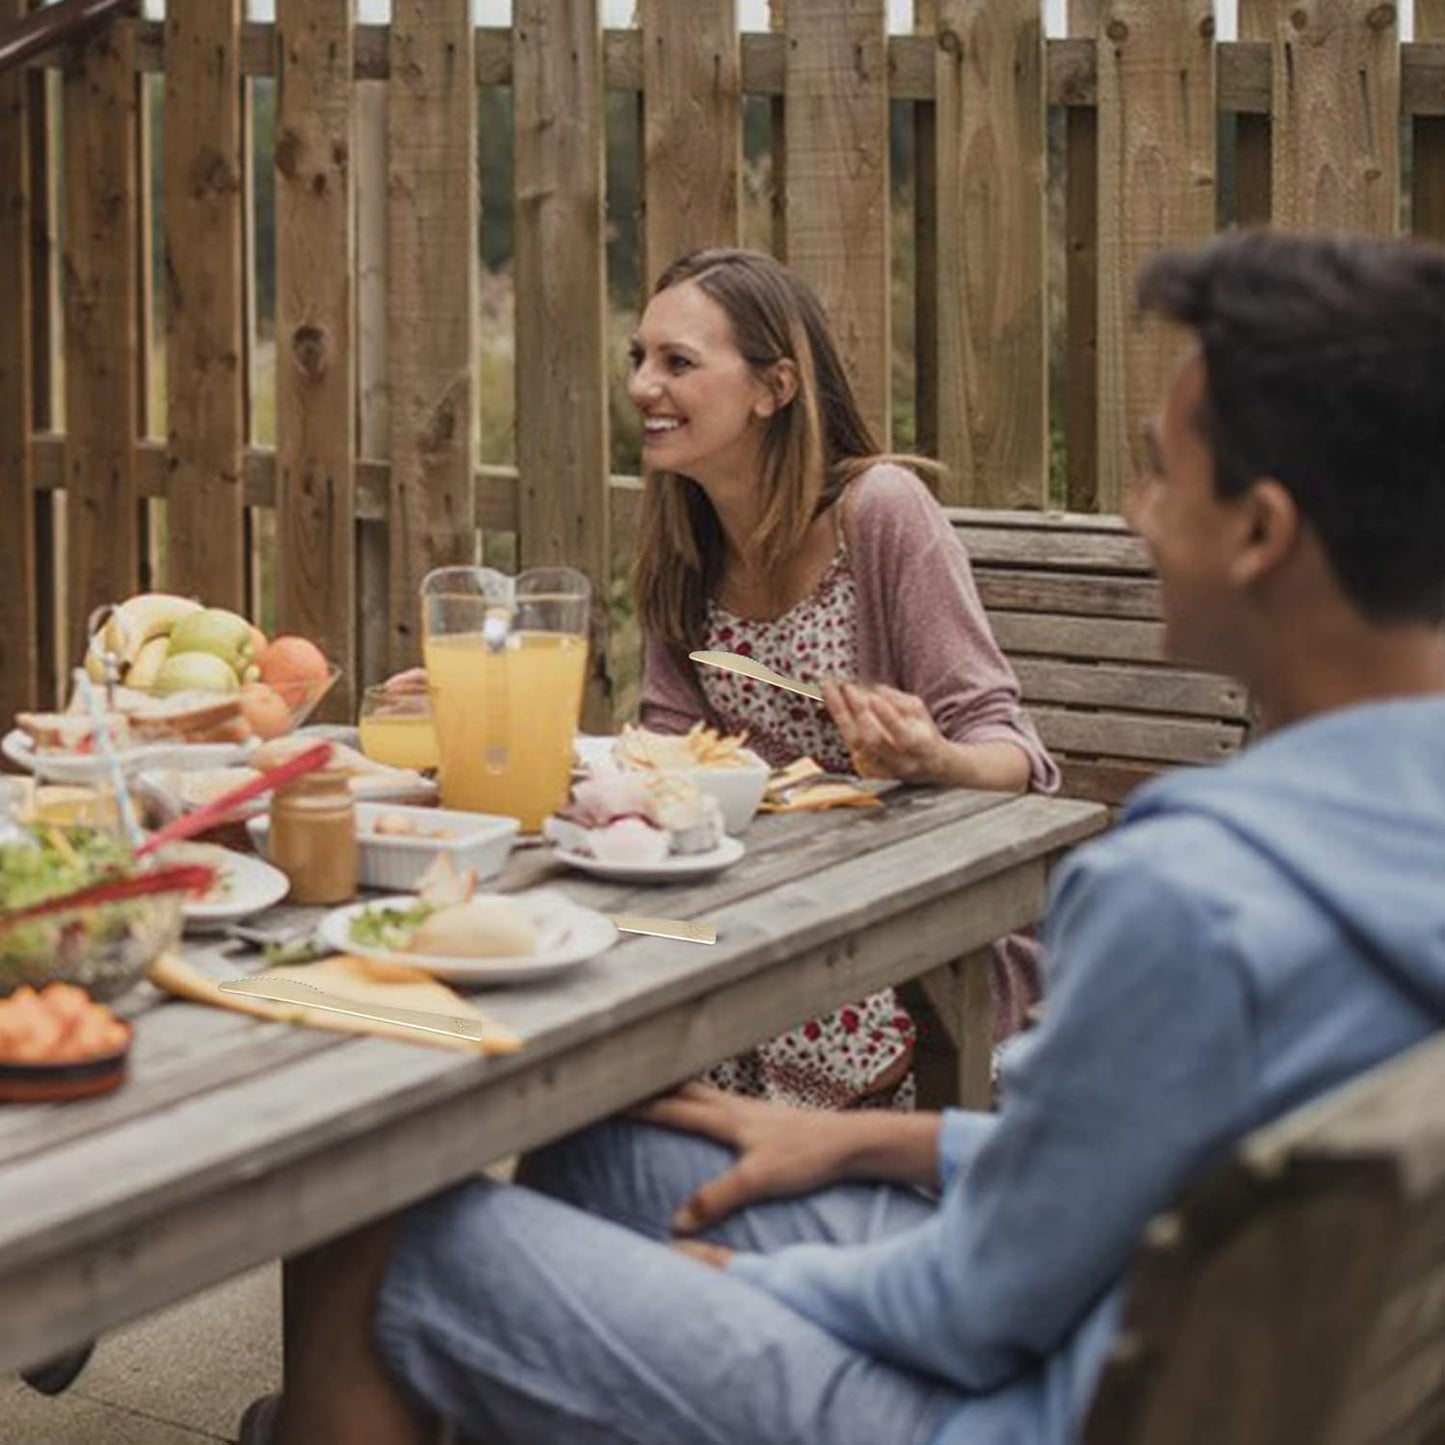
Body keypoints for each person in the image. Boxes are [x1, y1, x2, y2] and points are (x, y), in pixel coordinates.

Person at [238, 228, 1445, 1445]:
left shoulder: (1185, 896)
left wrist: (744, 1287)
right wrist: (866, 1138)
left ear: (1258, 533)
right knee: (606, 1151)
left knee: (385, 1231)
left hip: (985, 1401)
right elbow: (1116, 1171)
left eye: (1158, 475)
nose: (1134, 514)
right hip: (1111, 1326)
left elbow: (970, 1306)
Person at [628, 248, 1057, 1107]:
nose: (643, 385)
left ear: (772, 386)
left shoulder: (879, 512)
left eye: (677, 362)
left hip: (906, 944)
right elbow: (665, 749)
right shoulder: (684, 538)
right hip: (749, 917)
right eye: (636, 358)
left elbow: (1016, 759)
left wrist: (931, 757)